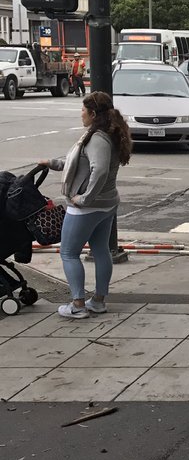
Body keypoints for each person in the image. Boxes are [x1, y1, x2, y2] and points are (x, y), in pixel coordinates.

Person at [38, 91, 132, 320]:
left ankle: (78, 304)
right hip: (107, 204)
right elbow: (80, 165)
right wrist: (52, 163)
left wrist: (84, 198)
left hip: (88, 207)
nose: (80, 114)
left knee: (69, 253)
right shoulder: (109, 134)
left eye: (82, 110)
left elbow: (98, 170)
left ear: (92, 113)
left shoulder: (97, 138)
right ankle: (98, 301)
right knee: (100, 250)